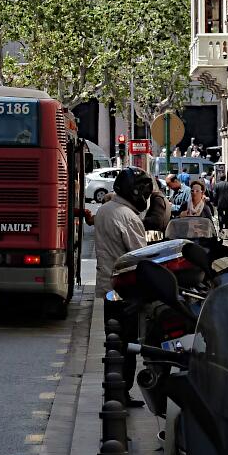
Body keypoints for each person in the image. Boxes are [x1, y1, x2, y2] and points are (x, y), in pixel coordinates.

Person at [93, 167, 149, 407]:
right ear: (132, 191)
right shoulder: (128, 216)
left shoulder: (104, 210)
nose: (145, 196)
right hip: (126, 289)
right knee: (126, 343)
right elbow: (141, 256)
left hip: (107, 285)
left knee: (113, 340)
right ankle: (122, 391)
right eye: (143, 190)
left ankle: (114, 389)